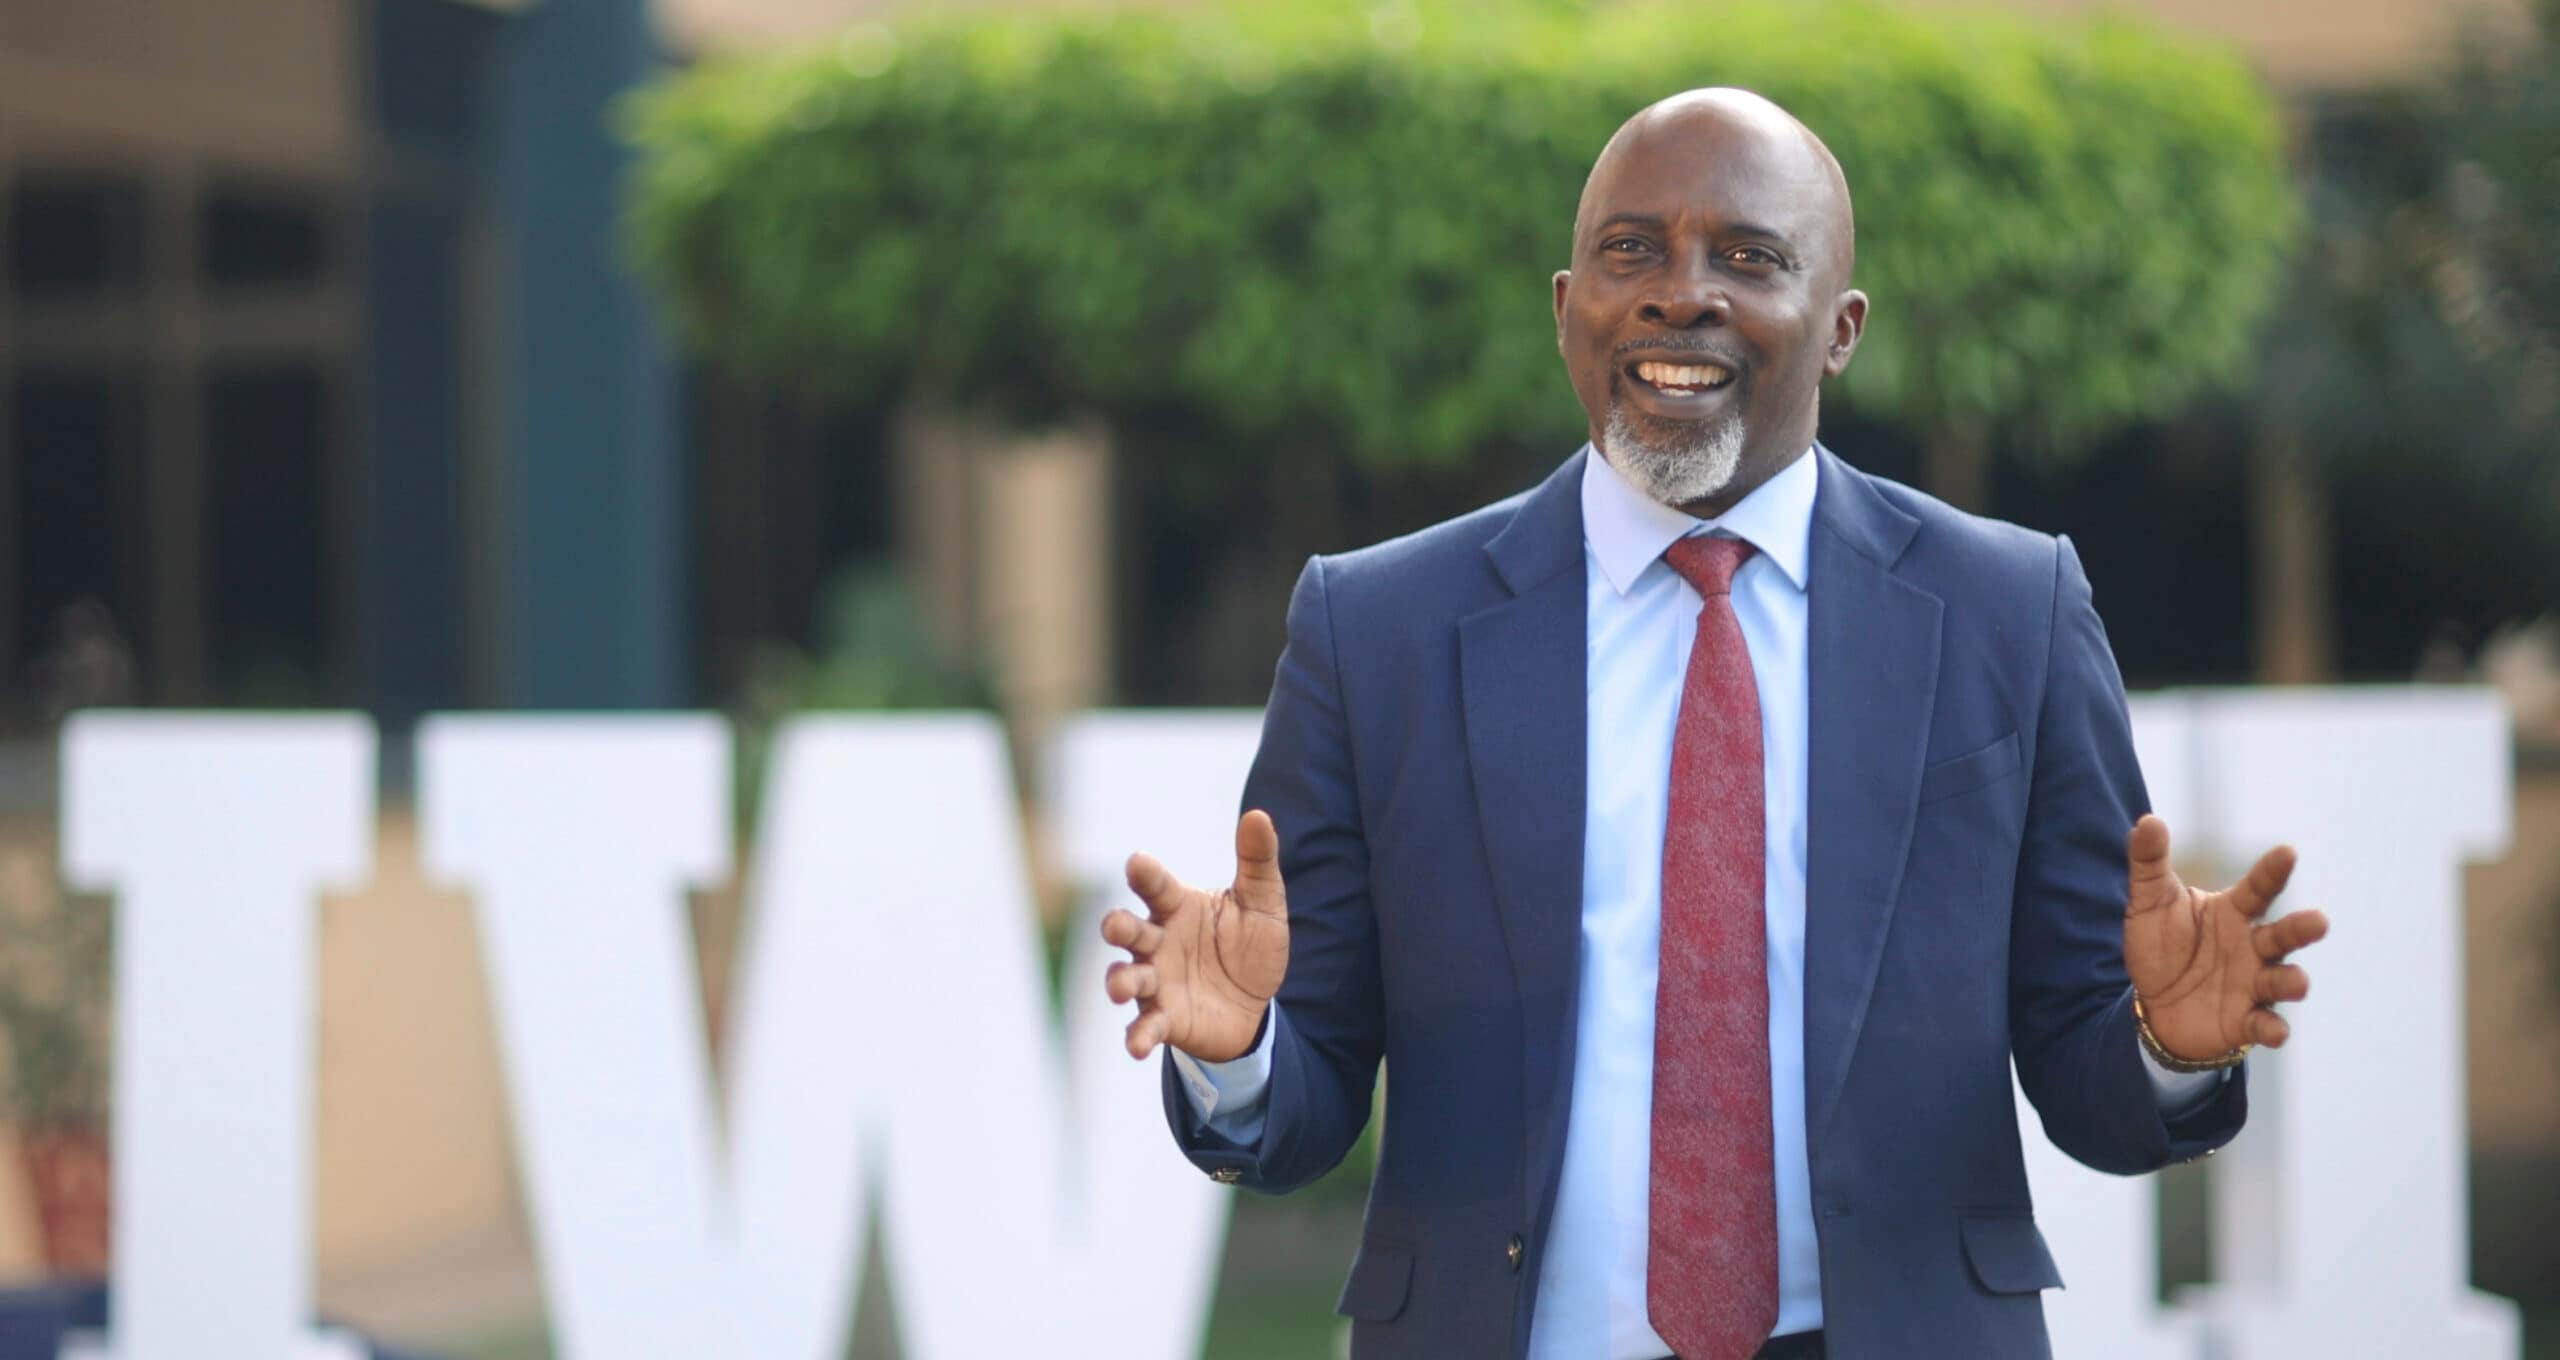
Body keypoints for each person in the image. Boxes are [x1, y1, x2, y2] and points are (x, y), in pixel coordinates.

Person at [1098, 88, 2328, 1360]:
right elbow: (1302, 1105)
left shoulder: (2008, 611)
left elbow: (2087, 1073)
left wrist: (2167, 1044)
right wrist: (1241, 1047)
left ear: (1840, 328)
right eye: (1631, 250)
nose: (1679, 295)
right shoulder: (1375, 630)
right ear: (1565, 306)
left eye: (1748, 257)